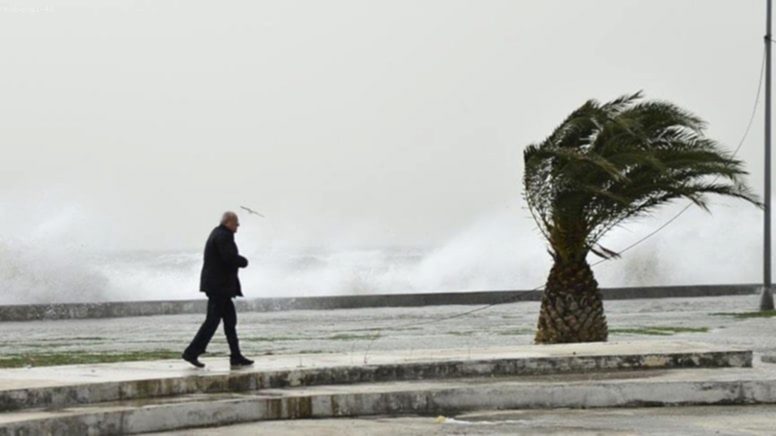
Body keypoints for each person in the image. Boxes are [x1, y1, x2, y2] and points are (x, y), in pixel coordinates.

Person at [182, 211, 254, 368]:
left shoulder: (219, 233)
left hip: (219, 287)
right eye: (236, 223)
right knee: (212, 322)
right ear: (228, 222)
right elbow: (228, 258)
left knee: (230, 322)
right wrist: (243, 261)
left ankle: (236, 355)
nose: (238, 226)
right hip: (218, 288)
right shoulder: (224, 236)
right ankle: (191, 352)